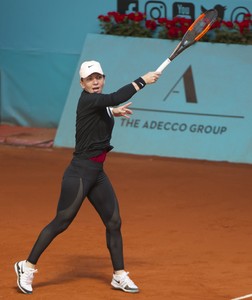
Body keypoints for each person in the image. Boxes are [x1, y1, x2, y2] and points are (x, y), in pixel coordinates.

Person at [14, 60, 161, 294]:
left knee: (114, 222)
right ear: (82, 83)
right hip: (80, 173)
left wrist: (113, 112)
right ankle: (27, 266)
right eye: (90, 78)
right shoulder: (90, 99)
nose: (95, 82)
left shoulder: (99, 104)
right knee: (61, 222)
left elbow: (106, 106)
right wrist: (142, 80)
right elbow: (111, 98)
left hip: (97, 174)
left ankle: (119, 275)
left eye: (99, 77)